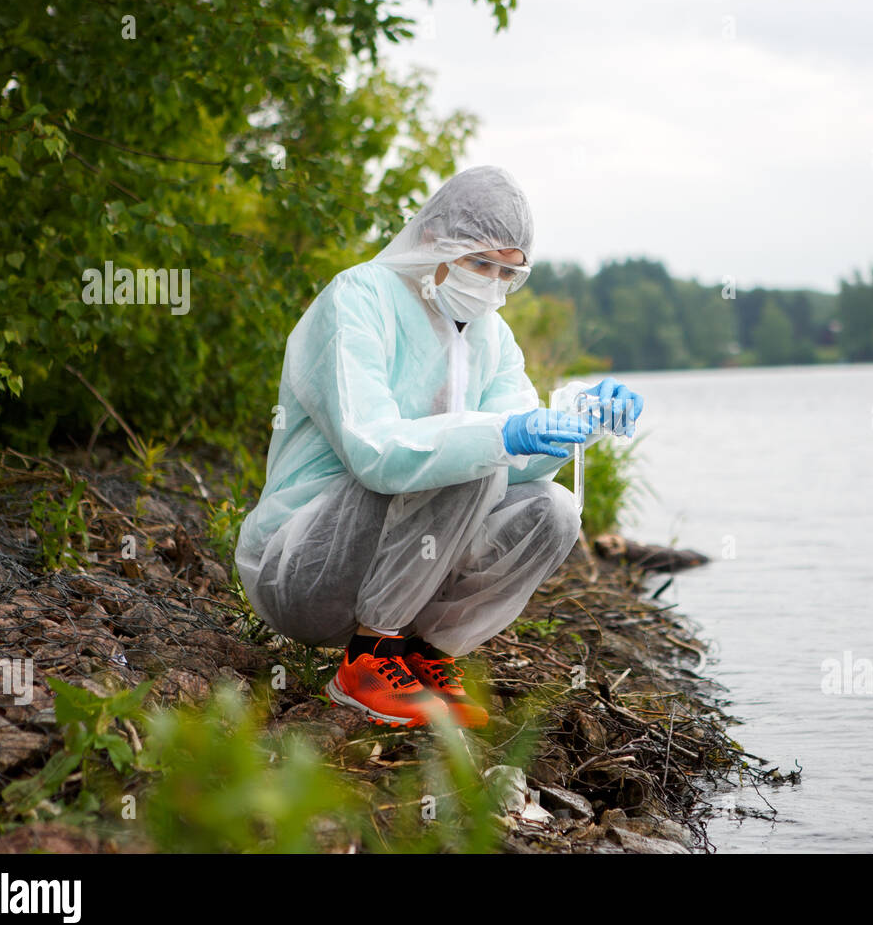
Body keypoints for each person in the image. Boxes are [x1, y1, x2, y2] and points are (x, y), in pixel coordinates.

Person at [234, 165, 644, 730]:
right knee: (472, 455)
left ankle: (424, 654)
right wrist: (498, 435)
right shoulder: (358, 298)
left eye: (507, 272)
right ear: (434, 239)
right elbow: (374, 450)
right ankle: (368, 661)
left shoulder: (491, 335)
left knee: (553, 510)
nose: (492, 283)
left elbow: (519, 452)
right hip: (307, 566)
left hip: (402, 585)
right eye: (480, 263)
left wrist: (582, 420)